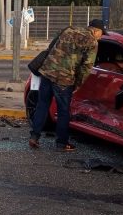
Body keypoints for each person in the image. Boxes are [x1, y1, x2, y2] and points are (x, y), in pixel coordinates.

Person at [29, 18, 104, 151]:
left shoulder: (68, 29)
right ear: (96, 30)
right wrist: (78, 84)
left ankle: (34, 137)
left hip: (48, 72)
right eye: (102, 33)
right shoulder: (92, 42)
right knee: (63, 111)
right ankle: (62, 143)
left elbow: (51, 47)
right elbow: (87, 66)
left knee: (42, 105)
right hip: (64, 79)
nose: (101, 36)